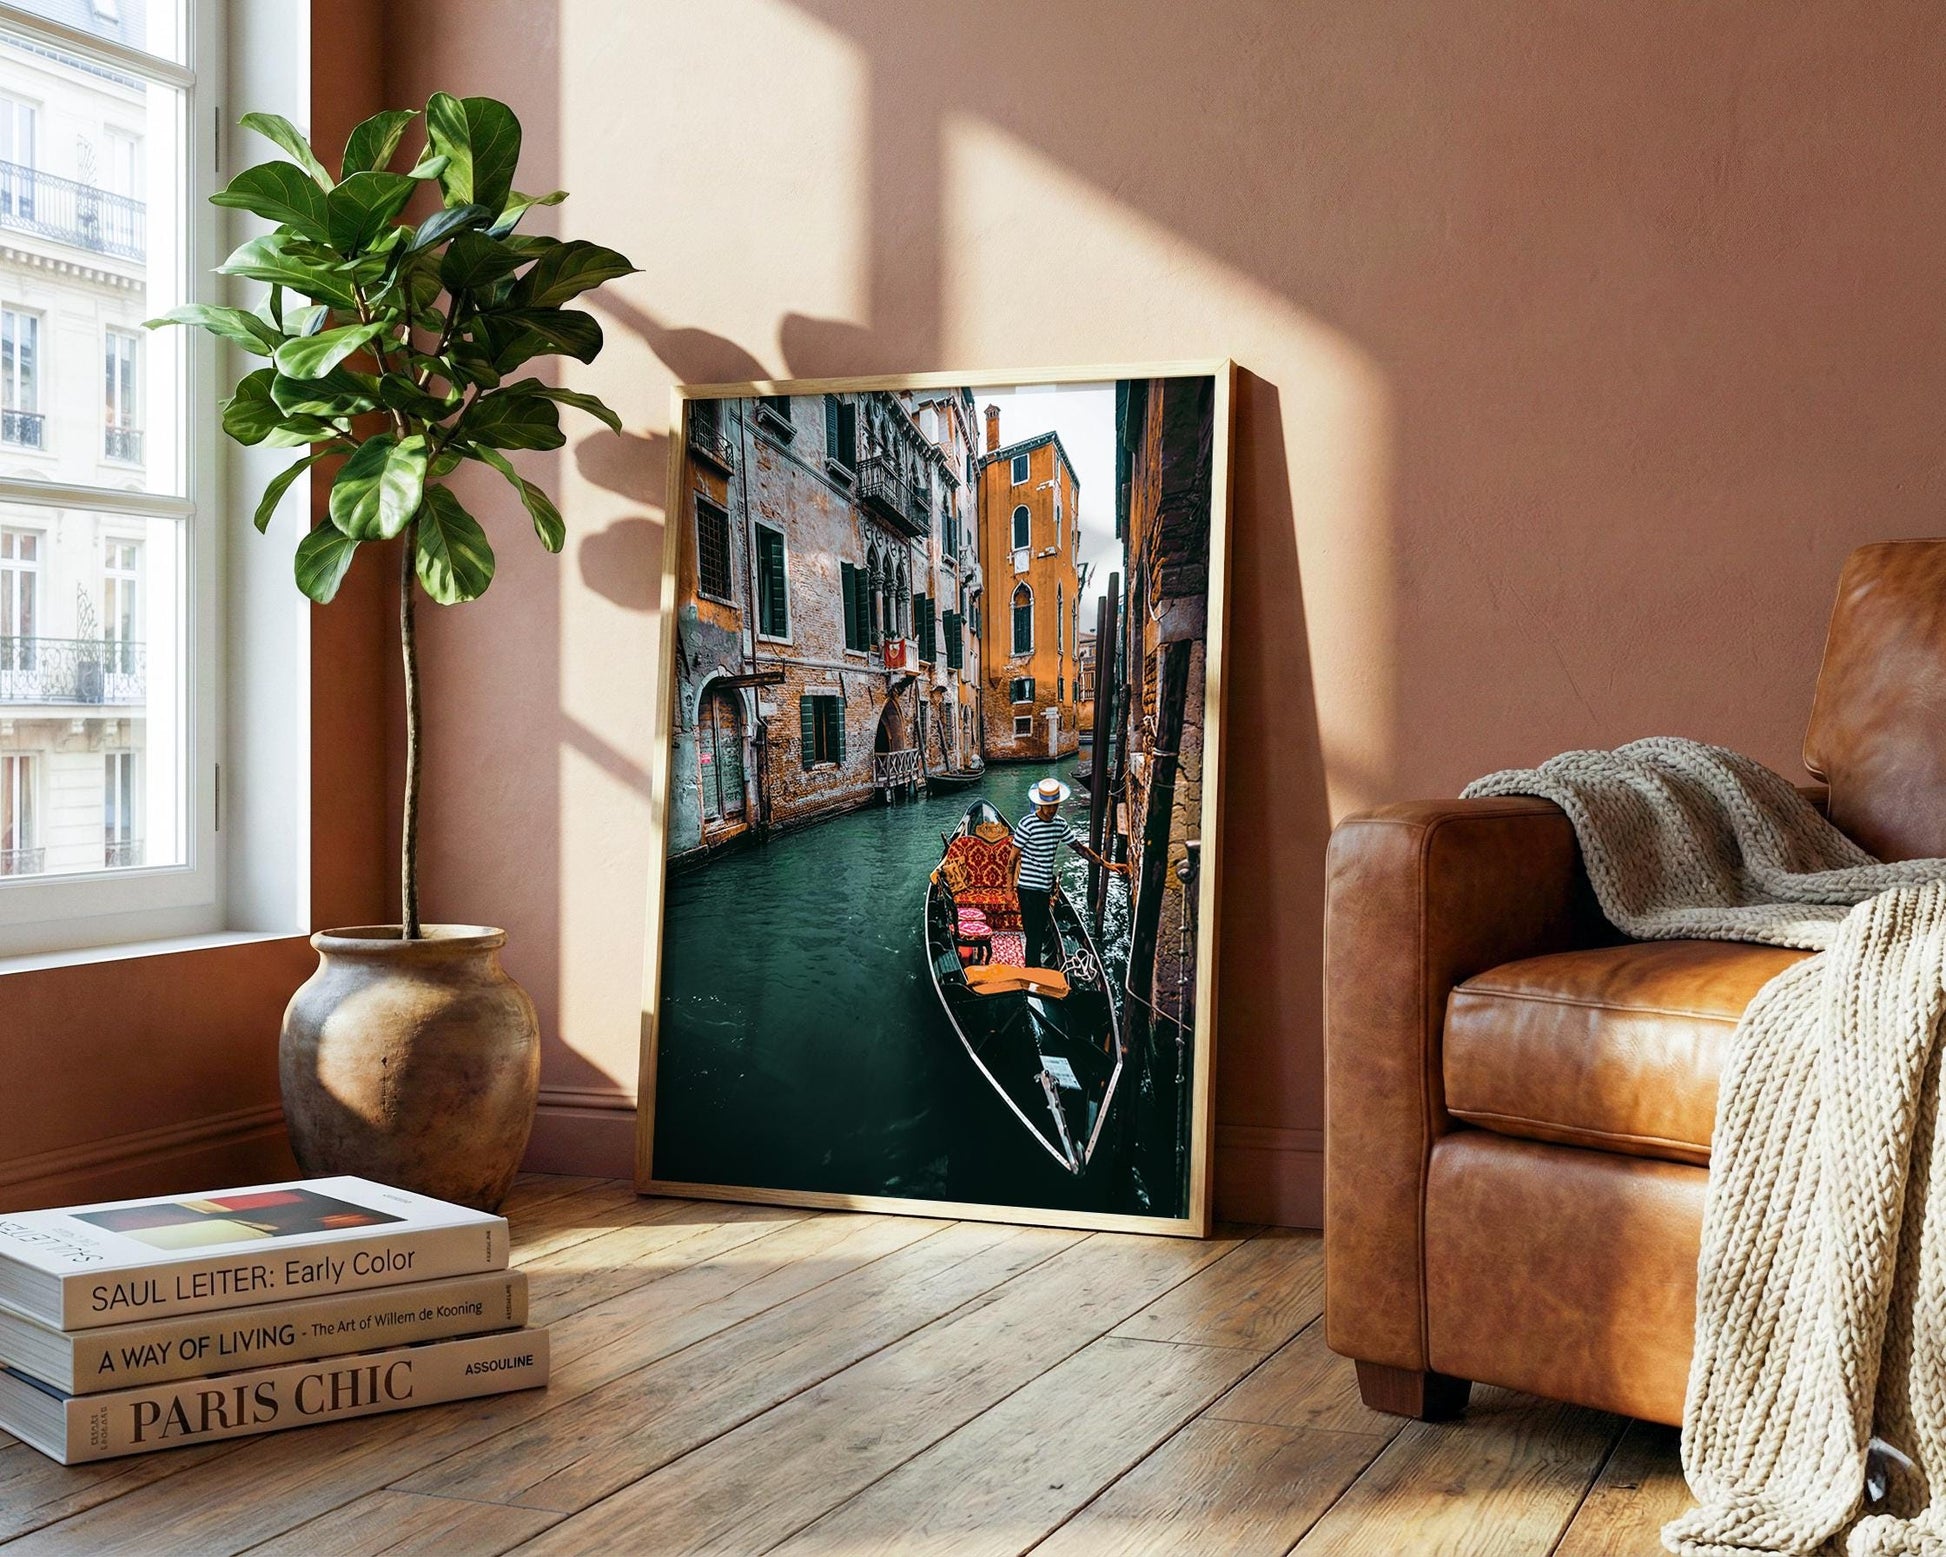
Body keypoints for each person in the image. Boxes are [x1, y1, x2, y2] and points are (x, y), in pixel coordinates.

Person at [1011, 776, 1126, 968]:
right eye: (1048, 806)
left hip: (1045, 888)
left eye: (1055, 805)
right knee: (1033, 934)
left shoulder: (1060, 824)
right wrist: (1009, 889)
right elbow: (1012, 858)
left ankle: (1034, 969)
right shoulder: (1026, 824)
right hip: (1027, 889)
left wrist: (1107, 865)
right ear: (1040, 804)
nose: (1052, 810)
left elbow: (1080, 848)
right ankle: (1032, 970)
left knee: (1040, 931)